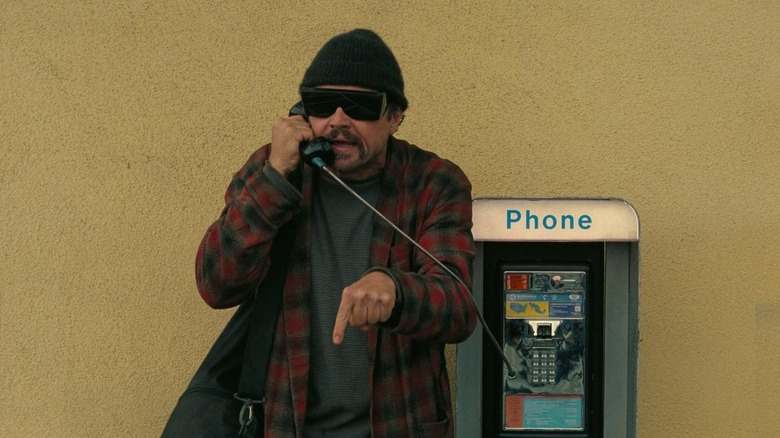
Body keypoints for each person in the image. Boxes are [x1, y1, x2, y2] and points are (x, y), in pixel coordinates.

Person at [195, 28, 477, 438]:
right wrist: (276, 177)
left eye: (360, 107)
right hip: (287, 424)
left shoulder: (433, 182)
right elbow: (216, 284)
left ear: (394, 116)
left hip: (399, 424)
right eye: (322, 105)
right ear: (301, 113)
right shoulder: (275, 171)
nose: (338, 121)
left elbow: (459, 308)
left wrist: (395, 291)